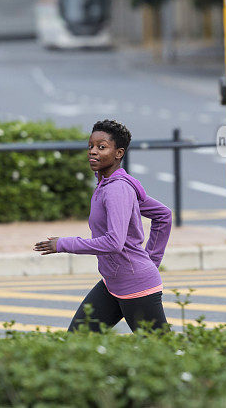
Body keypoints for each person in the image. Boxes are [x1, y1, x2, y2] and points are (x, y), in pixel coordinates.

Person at [34, 119, 173, 333]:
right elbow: (163, 215)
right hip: (112, 283)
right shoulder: (106, 185)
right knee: (77, 341)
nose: (93, 152)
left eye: (102, 147)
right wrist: (150, 262)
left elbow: (114, 242)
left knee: (163, 356)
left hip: (137, 287)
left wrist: (63, 244)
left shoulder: (117, 190)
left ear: (118, 153)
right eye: (90, 146)